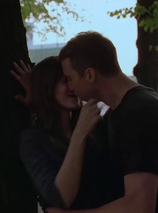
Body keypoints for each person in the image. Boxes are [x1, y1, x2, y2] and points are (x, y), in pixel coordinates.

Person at [46, 31, 158, 213]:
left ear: (90, 75)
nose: (69, 86)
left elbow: (139, 206)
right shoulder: (121, 111)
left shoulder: (139, 113)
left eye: (70, 78)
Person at [11, 57, 115, 212]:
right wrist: (80, 133)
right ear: (47, 87)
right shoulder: (33, 140)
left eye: (73, 80)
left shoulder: (96, 127)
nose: (72, 87)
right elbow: (60, 197)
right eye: (64, 81)